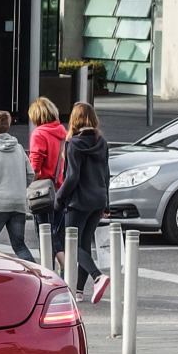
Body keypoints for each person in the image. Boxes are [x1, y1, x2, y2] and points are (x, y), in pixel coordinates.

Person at [56, 102, 112, 304]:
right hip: (98, 200)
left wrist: (59, 199)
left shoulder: (73, 144)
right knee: (84, 243)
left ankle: (97, 276)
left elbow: (72, 178)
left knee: (70, 243)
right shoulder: (102, 142)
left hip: (79, 201)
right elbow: (106, 174)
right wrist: (107, 204)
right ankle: (78, 291)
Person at [0, 110, 35, 261]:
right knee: (19, 245)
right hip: (18, 202)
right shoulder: (18, 148)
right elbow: (30, 173)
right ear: (8, 126)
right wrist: (19, 189)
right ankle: (36, 273)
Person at [27, 96, 67, 269]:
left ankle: (58, 270)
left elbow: (35, 165)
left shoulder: (39, 134)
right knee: (55, 233)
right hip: (60, 189)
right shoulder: (62, 132)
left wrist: (29, 184)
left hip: (43, 191)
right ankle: (65, 270)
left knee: (44, 234)